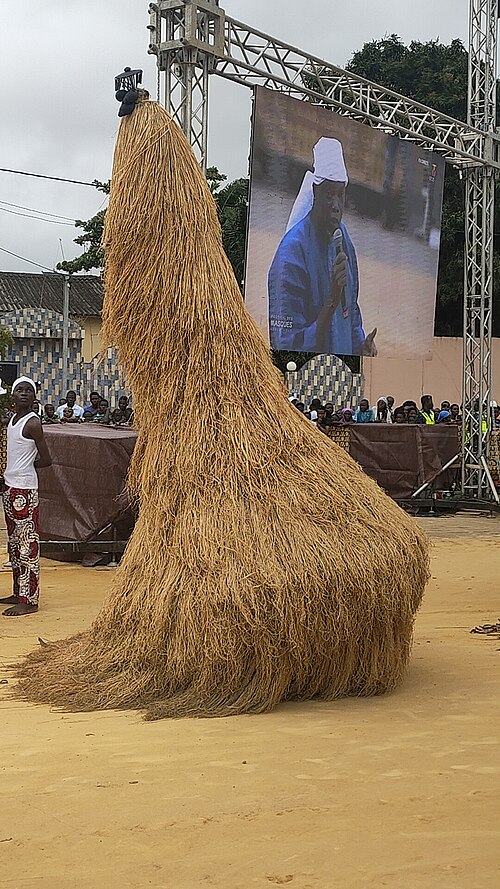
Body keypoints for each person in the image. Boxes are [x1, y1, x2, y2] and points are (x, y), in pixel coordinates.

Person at [268, 137, 377, 356]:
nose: (336, 206)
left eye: (340, 195)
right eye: (329, 196)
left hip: (343, 376)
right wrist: (331, 301)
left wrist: (360, 347)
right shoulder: (292, 253)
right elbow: (287, 345)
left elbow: (351, 310)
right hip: (304, 380)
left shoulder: (343, 238)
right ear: (315, 193)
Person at [0, 377, 51, 616]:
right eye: (18, 390)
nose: (23, 394)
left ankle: (29, 600)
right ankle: (18, 591)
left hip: (24, 489)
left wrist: (25, 469)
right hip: (10, 487)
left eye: (28, 391)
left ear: (34, 397)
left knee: (27, 545)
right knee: (14, 545)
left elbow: (47, 459)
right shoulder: (12, 420)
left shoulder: (32, 424)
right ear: (12, 395)